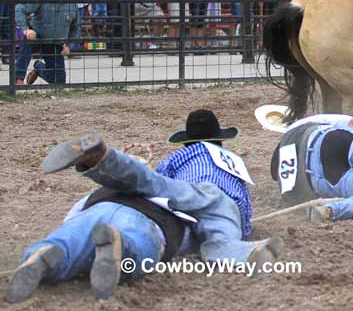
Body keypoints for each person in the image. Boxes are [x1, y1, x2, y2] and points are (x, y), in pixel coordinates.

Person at [5, 110, 283, 303]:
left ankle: (46, 252)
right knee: (151, 241)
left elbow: (150, 180)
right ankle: (123, 247)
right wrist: (243, 241)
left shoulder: (179, 156)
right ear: (222, 140)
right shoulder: (228, 169)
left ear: (186, 140)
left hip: (104, 200)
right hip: (168, 215)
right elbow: (232, 222)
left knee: (73, 235)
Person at [15, 0, 81, 85]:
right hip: (37, 35)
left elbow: (76, 26)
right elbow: (20, 8)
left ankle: (38, 68)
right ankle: (18, 79)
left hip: (56, 42)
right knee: (27, 44)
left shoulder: (72, 2)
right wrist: (26, 29)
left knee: (59, 81)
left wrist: (69, 45)